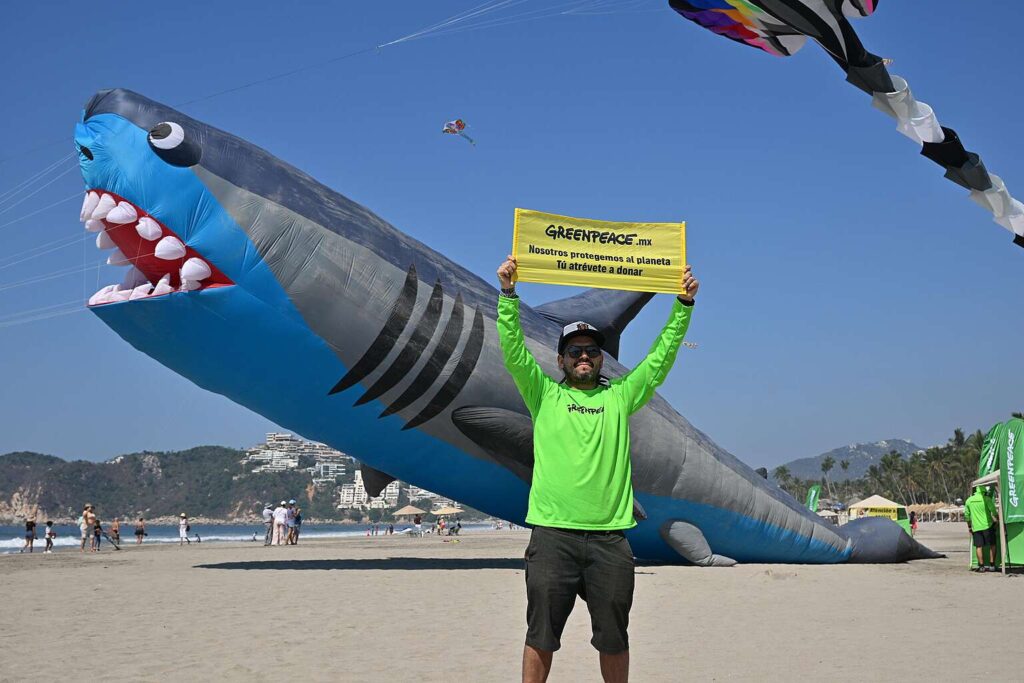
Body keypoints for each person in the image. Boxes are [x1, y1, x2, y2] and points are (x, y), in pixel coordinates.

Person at [496, 254, 698, 683]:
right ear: (561, 360)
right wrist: (509, 295)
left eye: (591, 351)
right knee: (541, 636)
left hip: (610, 540)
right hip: (553, 536)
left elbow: (659, 362)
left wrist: (682, 307)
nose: (584, 356)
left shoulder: (620, 398)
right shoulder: (543, 395)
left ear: (602, 359)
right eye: (575, 351)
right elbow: (513, 350)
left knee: (614, 638)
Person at [965, 487, 998, 572]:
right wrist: (997, 519)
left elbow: (967, 516)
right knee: (992, 545)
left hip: (976, 527)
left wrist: (969, 526)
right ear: (984, 492)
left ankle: (981, 566)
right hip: (988, 525)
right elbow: (993, 511)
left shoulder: (969, 500)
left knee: (979, 546)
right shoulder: (986, 499)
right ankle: (992, 565)